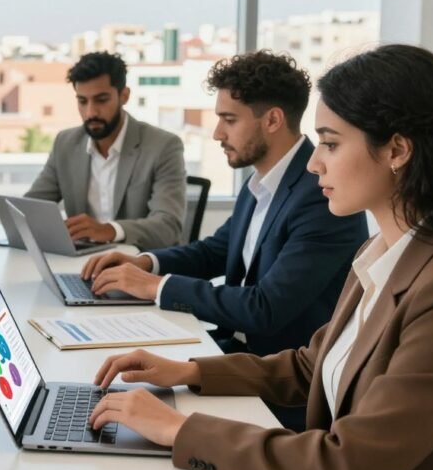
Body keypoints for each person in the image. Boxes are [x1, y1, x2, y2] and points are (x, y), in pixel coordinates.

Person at [88, 44, 433, 470]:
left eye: (331, 144)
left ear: (397, 150)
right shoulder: (383, 254)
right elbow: (313, 363)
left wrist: (179, 429)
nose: (315, 162)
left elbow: (346, 468)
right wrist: (189, 370)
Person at [82, 51, 367, 356]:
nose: (217, 134)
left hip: (279, 376)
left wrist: (155, 286)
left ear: (272, 120)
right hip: (235, 352)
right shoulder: (260, 183)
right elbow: (214, 251)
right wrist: (146, 263)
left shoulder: (321, 196)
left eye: (229, 120)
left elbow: (264, 308)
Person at [24, 52, 185, 250]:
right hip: (81, 264)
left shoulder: (163, 146)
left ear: (124, 96)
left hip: (138, 267)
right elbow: (28, 209)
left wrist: (110, 230)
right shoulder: (65, 144)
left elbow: (168, 227)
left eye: (101, 100)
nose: (91, 112)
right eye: (82, 101)